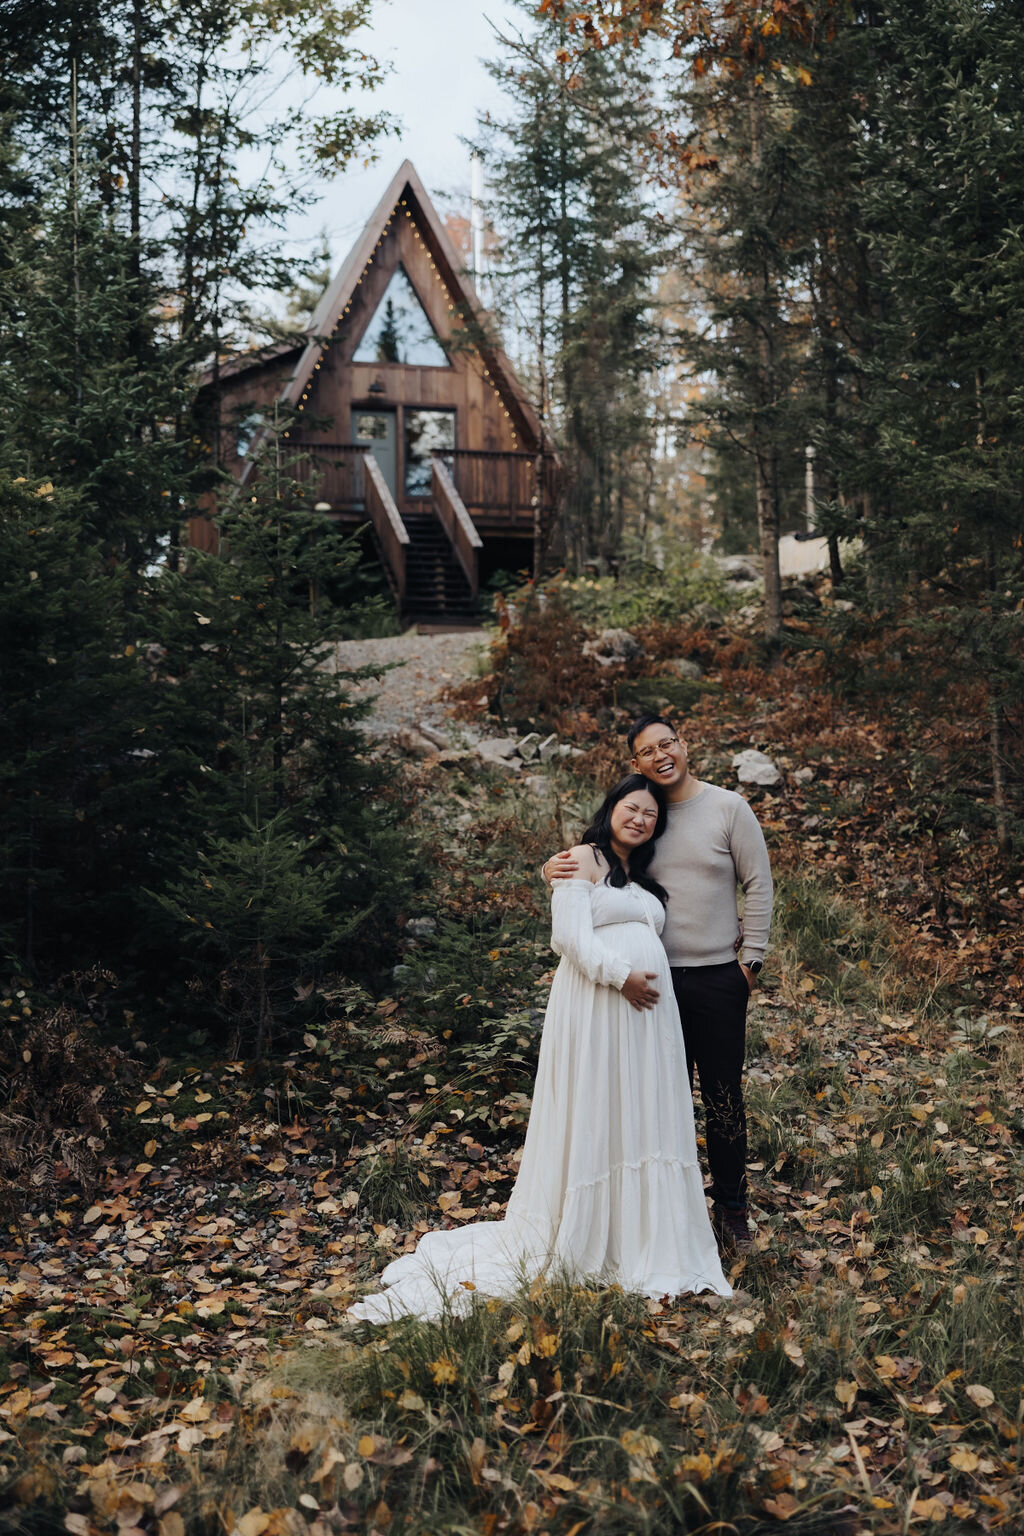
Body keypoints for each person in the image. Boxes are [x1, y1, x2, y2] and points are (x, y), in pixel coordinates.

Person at [349, 774, 731, 1323]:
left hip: (647, 1022)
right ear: (611, 809)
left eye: (651, 815)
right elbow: (568, 937)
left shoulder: (642, 877)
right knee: (599, 1107)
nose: (641, 819)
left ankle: (645, 1235)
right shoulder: (583, 858)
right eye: (632, 808)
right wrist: (621, 974)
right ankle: (589, 1228)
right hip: (599, 1004)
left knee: (643, 1112)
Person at [544, 716, 773, 1252]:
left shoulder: (727, 808)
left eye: (668, 743)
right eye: (648, 751)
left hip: (719, 977)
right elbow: (597, 864)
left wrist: (751, 962)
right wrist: (552, 869)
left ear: (684, 745)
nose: (661, 755)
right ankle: (656, 1211)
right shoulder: (645, 814)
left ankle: (732, 1210)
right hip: (653, 985)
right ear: (636, 764)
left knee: (722, 1098)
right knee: (654, 1096)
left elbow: (758, 883)